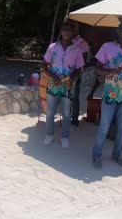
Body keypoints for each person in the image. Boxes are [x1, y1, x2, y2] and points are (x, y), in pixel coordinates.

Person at [92, 18, 122, 168]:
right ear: (118, 32)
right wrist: (112, 70)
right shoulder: (107, 47)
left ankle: (117, 154)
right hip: (111, 94)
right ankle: (96, 155)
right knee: (104, 126)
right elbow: (97, 69)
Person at [42, 20, 85, 148]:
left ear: (73, 33)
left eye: (69, 29)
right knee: (50, 112)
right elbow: (44, 66)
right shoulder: (52, 47)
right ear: (60, 31)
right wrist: (53, 77)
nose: (66, 31)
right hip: (53, 85)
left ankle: (65, 137)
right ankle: (49, 135)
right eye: (64, 29)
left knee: (66, 113)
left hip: (67, 86)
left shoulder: (76, 50)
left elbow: (79, 69)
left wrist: (71, 79)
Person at [70, 21, 89, 127]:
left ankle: (74, 119)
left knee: (74, 96)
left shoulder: (82, 43)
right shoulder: (67, 41)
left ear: (77, 29)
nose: (71, 29)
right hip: (65, 73)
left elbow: (85, 60)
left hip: (76, 73)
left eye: (73, 27)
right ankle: (67, 117)